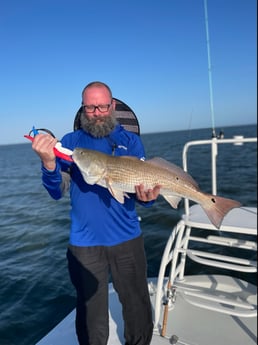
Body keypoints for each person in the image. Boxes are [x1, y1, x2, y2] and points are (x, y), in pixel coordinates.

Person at [31, 81, 161, 345]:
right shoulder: (70, 143)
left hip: (127, 238)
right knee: (91, 313)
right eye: (90, 107)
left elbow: (142, 194)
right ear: (83, 109)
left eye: (102, 106)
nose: (97, 112)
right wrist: (48, 163)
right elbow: (58, 191)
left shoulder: (131, 141)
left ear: (112, 106)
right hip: (84, 244)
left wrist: (148, 199)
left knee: (137, 305)